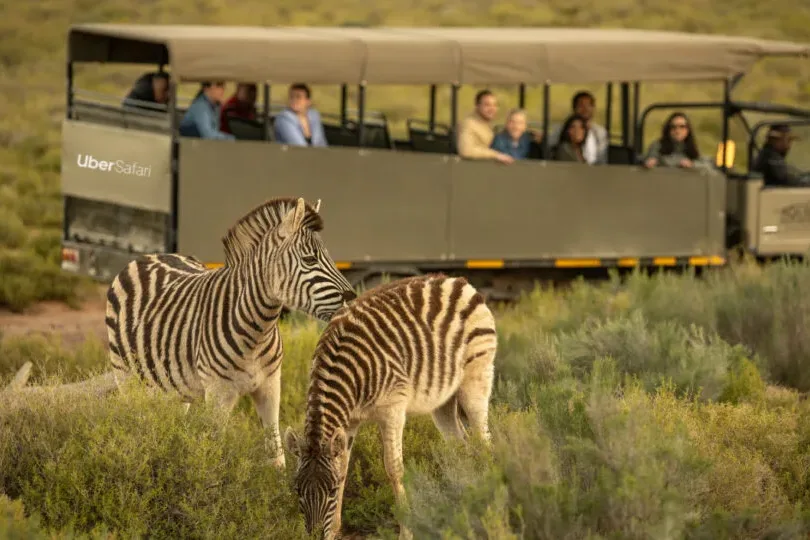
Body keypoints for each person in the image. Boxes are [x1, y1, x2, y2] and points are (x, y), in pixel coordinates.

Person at [548, 91, 609, 165]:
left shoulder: (600, 132)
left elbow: (601, 158)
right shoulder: (562, 129)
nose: (585, 109)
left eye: (588, 105)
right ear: (574, 108)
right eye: (581, 105)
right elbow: (551, 147)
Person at [457, 90, 514, 164]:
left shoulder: (487, 125)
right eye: (487, 105)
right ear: (477, 106)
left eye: (495, 105)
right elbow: (466, 151)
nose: (492, 109)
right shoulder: (469, 124)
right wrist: (496, 155)